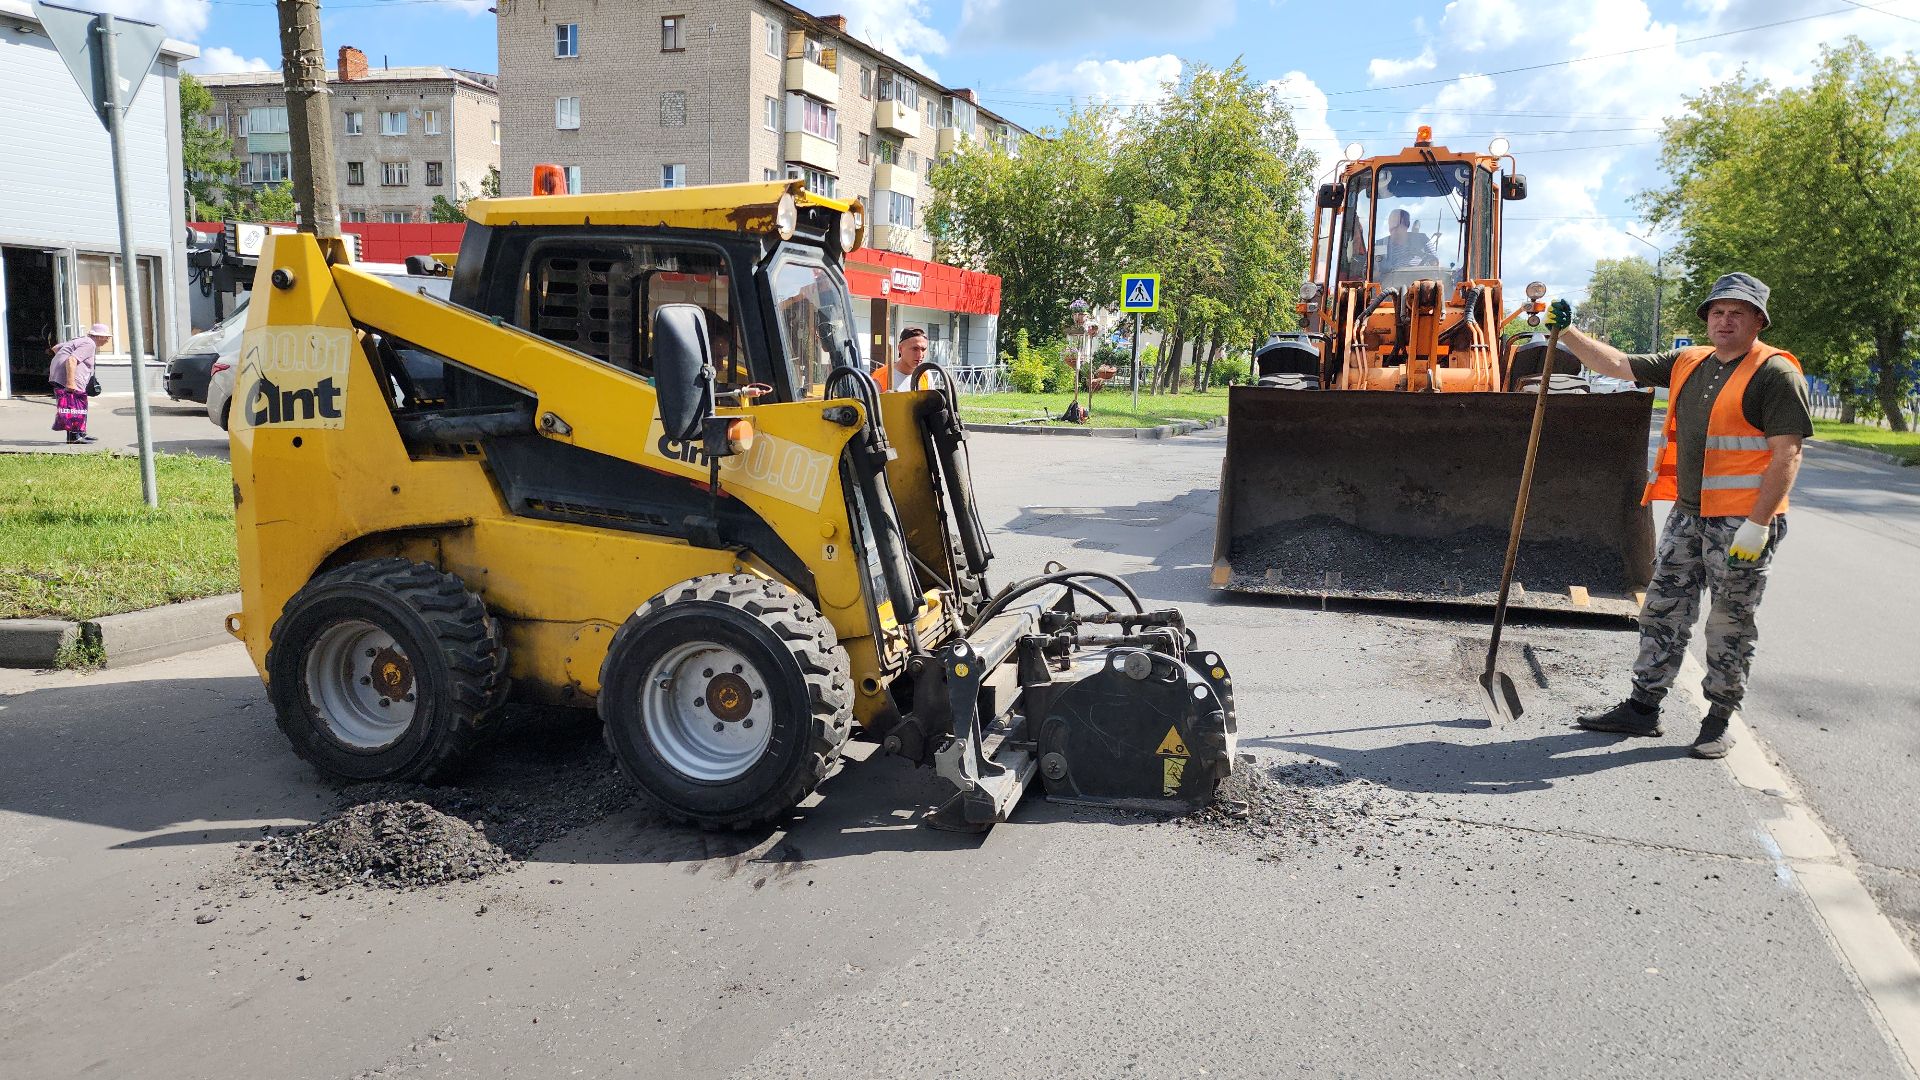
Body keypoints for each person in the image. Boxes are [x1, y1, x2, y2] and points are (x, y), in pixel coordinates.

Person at [1550, 272, 1812, 759]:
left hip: (1743, 523)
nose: (1725, 320)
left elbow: (1787, 454)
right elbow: (1620, 365)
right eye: (1717, 312)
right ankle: (1643, 707)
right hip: (1689, 517)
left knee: (1730, 621)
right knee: (1662, 609)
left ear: (1758, 320)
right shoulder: (1689, 361)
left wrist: (1758, 523)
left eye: (1737, 313)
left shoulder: (1774, 374)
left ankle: (1717, 719)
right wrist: (1566, 332)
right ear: (1707, 319)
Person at [49, 323, 110, 445]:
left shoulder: (81, 340)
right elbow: (72, 359)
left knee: (76, 407)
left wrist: (59, 365)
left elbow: (56, 348)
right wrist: (70, 382)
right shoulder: (89, 344)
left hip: (59, 377)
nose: (107, 340)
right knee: (74, 407)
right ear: (97, 336)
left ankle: (79, 433)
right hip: (70, 380)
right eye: (106, 337)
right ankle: (74, 437)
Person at [876, 326, 929, 391]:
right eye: (915, 349)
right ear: (900, 349)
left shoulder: (926, 376)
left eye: (923, 349)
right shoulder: (880, 377)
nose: (920, 355)